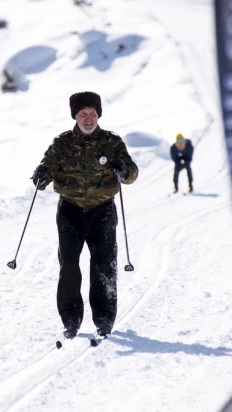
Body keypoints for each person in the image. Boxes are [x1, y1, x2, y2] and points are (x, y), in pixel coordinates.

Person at [31, 91, 139, 339]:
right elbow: (47, 166)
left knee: (103, 266)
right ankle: (71, 319)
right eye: (83, 113)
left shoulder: (112, 142)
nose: (88, 118)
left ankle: (103, 320)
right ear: (75, 115)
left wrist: (125, 170)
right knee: (68, 265)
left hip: (103, 211)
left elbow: (131, 174)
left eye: (92, 113)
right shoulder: (62, 143)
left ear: (98, 114)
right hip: (70, 210)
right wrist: (41, 175)